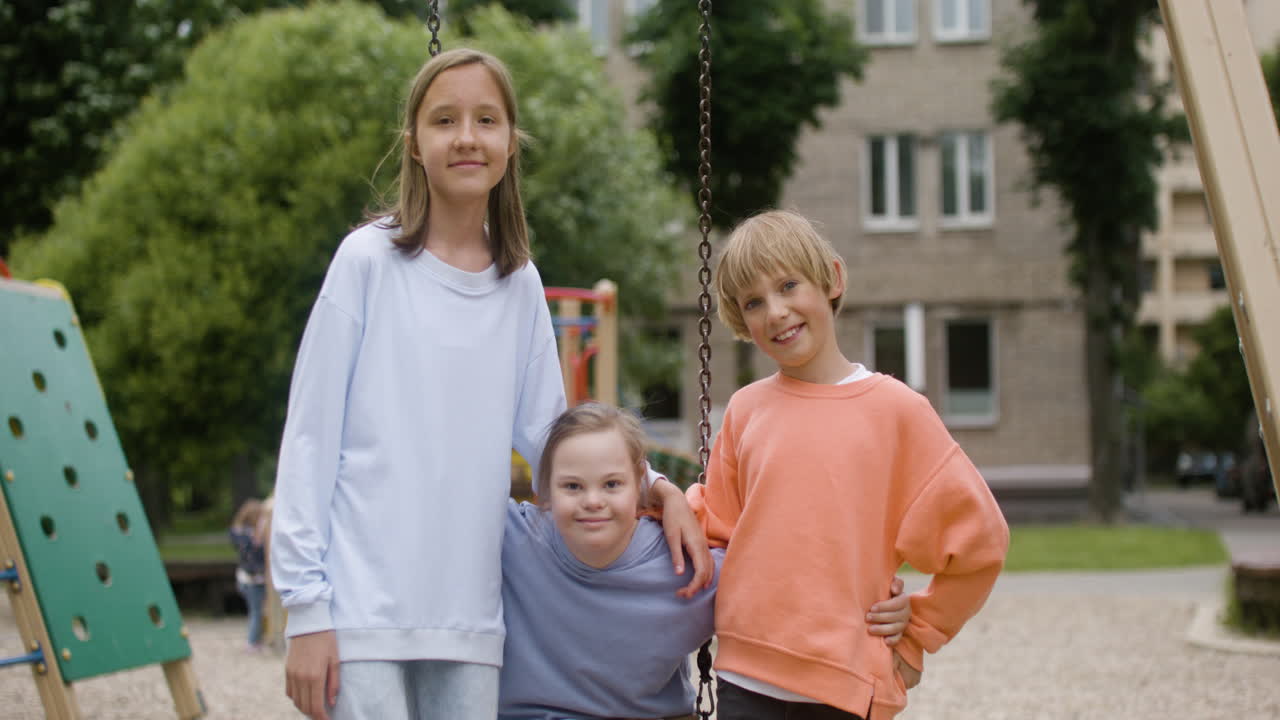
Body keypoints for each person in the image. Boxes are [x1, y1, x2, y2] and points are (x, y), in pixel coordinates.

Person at [269, 48, 710, 720]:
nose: (467, 137)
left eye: (486, 119)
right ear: (414, 143)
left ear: (510, 142)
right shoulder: (368, 262)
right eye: (444, 120)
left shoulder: (518, 283)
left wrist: (656, 487)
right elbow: (309, 438)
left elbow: (550, 442)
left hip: (470, 620)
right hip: (361, 612)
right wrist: (306, 609)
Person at [690, 210, 1010, 720]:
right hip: (745, 677)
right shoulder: (747, 410)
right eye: (754, 301)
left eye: (788, 285)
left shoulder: (897, 411)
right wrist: (646, 496)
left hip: (843, 683)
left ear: (832, 280)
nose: (775, 312)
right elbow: (710, 524)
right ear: (741, 320)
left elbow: (980, 541)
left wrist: (919, 630)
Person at [498, 402, 915, 720]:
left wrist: (881, 603)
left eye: (612, 484)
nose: (592, 501)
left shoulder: (685, 564)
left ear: (639, 483)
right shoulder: (511, 540)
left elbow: (792, 586)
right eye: (572, 486)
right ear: (544, 491)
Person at [229, 498, 268, 652]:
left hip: (245, 578)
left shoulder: (240, 533)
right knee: (256, 611)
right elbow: (255, 550)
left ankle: (256, 639)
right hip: (253, 579)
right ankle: (252, 641)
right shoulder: (249, 536)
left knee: (256, 610)